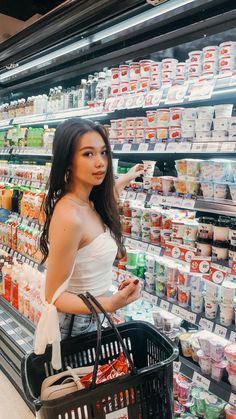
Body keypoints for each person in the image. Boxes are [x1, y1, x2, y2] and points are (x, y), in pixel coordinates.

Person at [34, 117, 143, 369]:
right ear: (68, 160)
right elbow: (54, 297)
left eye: (103, 152)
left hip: (94, 316)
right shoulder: (70, 216)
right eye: (88, 154)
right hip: (76, 328)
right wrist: (112, 302)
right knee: (84, 401)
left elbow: (107, 196)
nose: (100, 162)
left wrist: (127, 178)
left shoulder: (88, 201)